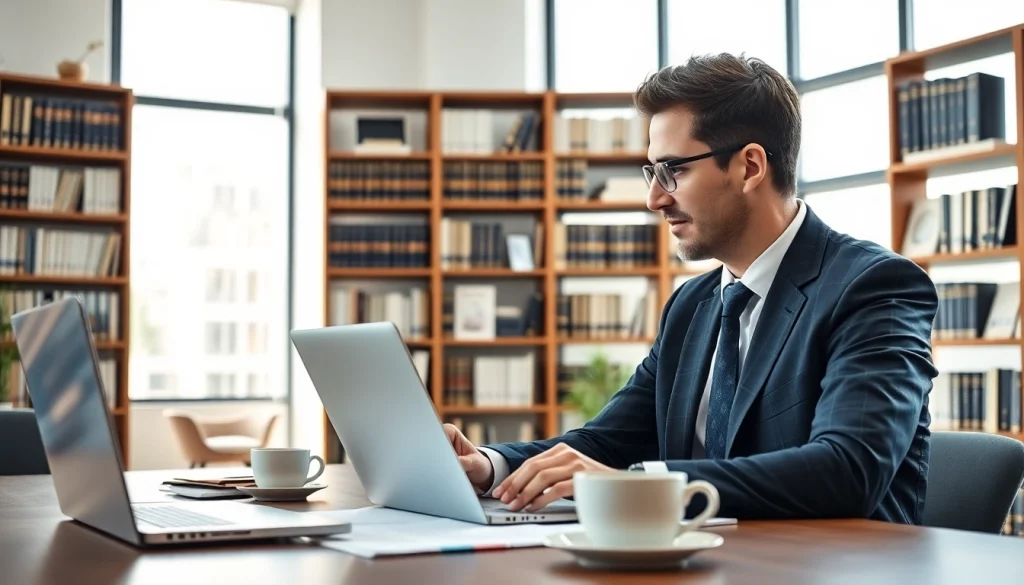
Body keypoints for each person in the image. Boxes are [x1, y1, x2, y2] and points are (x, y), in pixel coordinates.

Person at [443, 53, 938, 523]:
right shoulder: (693, 305)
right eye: (651, 172)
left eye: (673, 171)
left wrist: (638, 485)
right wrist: (489, 466)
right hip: (705, 560)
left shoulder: (874, 287)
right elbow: (611, 441)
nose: (654, 198)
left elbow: (847, 470)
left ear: (750, 167)